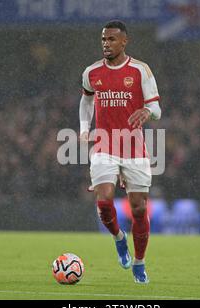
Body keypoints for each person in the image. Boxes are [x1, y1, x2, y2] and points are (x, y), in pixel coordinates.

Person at [79, 20, 162, 284]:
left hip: (134, 148)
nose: (106, 44)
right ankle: (118, 238)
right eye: (104, 39)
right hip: (104, 144)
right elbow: (86, 99)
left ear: (124, 41)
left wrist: (147, 111)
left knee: (138, 208)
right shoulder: (91, 72)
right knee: (104, 202)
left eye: (112, 39)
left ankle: (139, 262)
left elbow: (157, 109)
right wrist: (83, 127)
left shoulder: (140, 70)